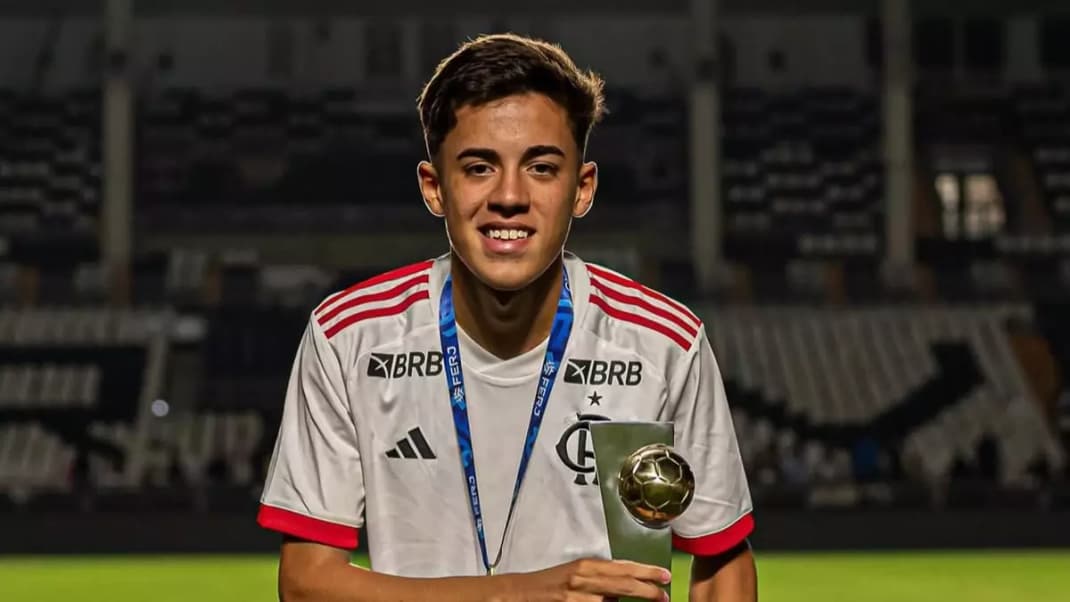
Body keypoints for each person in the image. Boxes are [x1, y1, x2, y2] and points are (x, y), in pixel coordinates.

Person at [257, 33, 757, 601]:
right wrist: (512, 593)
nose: (510, 196)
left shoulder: (664, 343)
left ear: (582, 189)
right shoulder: (348, 336)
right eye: (478, 168)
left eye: (542, 168)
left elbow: (721, 557)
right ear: (434, 188)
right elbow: (306, 584)